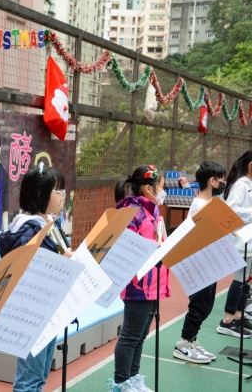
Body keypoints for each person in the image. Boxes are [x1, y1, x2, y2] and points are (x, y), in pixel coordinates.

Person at [0, 163, 71, 392]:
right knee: (29, 380)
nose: (63, 195)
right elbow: (29, 272)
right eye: (57, 191)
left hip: (49, 310)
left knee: (39, 376)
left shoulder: (50, 225)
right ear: (40, 194)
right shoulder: (28, 231)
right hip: (32, 313)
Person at [108, 165, 170, 392]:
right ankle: (121, 383)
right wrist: (154, 247)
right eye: (161, 187)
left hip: (154, 283)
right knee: (130, 336)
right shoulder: (132, 212)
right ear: (148, 189)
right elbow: (127, 248)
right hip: (138, 285)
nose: (163, 192)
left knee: (141, 335)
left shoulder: (153, 212)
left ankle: (133, 378)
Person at [173, 161, 226, 363]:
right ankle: (184, 343)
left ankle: (192, 340)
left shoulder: (211, 203)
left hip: (210, 261)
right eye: (221, 179)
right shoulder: (200, 205)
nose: (223, 183)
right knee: (199, 305)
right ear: (212, 181)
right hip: (201, 262)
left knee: (206, 305)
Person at [218, 150, 252, 338]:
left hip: (249, 239)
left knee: (246, 278)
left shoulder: (249, 184)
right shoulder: (241, 185)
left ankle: (238, 315)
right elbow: (231, 209)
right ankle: (227, 320)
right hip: (241, 239)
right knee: (240, 277)